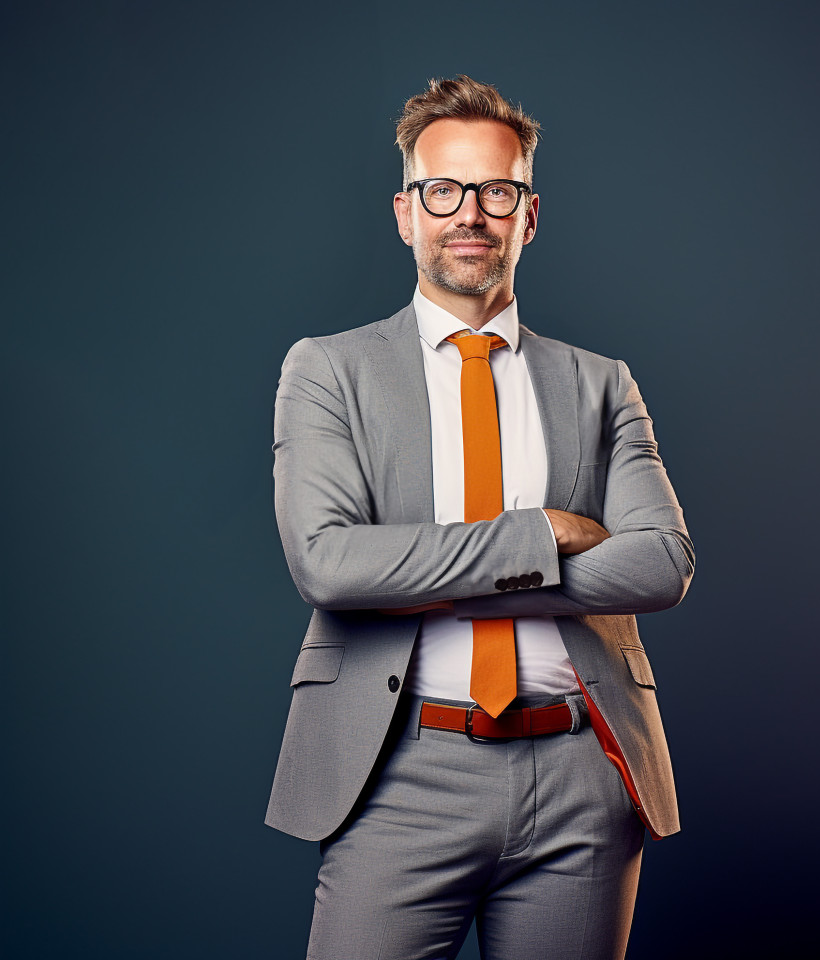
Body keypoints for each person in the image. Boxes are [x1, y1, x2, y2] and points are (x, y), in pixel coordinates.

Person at [266, 75, 695, 960]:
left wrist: (428, 580)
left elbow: (660, 564)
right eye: (444, 190)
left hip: (583, 775)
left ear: (527, 215)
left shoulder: (600, 382)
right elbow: (331, 565)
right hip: (398, 773)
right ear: (405, 211)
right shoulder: (328, 372)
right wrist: (539, 538)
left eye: (497, 192)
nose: (470, 213)